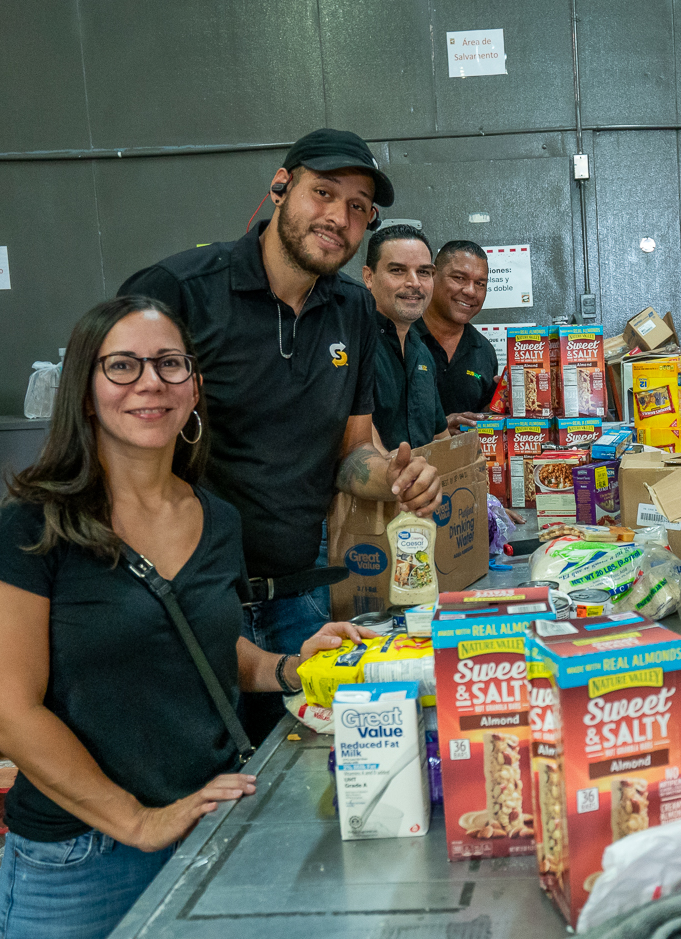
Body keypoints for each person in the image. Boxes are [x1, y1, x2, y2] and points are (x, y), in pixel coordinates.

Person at [0, 297, 372, 939]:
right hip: (80, 855)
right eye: (122, 365)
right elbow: (4, 712)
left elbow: (206, 644)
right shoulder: (34, 524)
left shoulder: (214, 515)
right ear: (85, 393)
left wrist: (285, 667)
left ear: (193, 390)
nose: (149, 382)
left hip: (202, 829)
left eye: (169, 363)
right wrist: (135, 819)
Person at [119, 128, 440, 741]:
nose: (338, 218)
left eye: (357, 208)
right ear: (279, 187)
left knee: (302, 779)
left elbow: (353, 455)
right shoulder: (178, 291)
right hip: (195, 600)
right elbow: (110, 449)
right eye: (323, 192)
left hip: (303, 598)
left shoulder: (351, 311)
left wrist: (393, 478)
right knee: (208, 787)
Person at [361, 223, 449, 448]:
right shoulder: (354, 346)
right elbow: (359, 447)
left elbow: (440, 438)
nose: (415, 283)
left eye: (423, 272)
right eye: (397, 270)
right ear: (369, 277)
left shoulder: (422, 352)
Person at [414, 240, 500, 431]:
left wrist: (505, 403)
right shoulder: (402, 337)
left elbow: (481, 416)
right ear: (432, 276)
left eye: (480, 283)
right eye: (459, 278)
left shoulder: (484, 351)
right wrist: (438, 429)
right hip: (403, 459)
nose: (470, 291)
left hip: (466, 460)